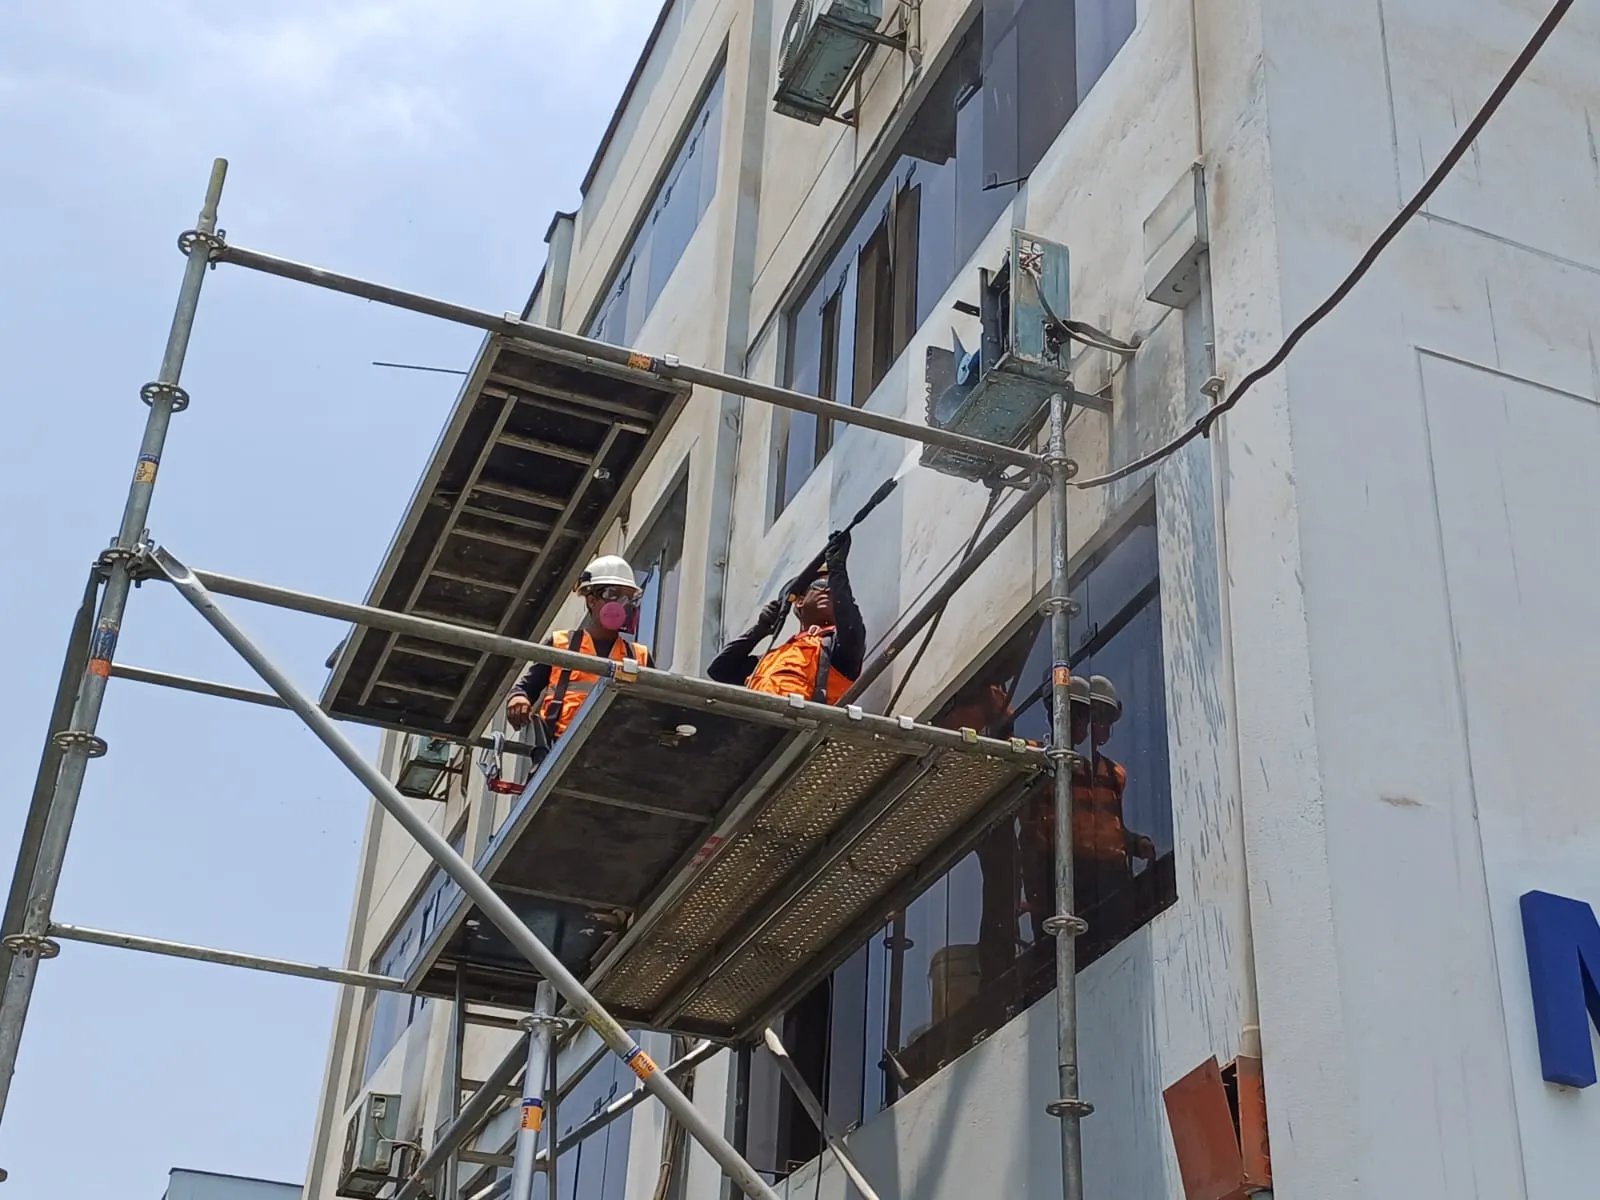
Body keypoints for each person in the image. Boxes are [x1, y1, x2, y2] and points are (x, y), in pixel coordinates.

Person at [505, 554, 651, 744]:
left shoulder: (640, 656)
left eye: (628, 597)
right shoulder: (561, 645)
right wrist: (518, 700)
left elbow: (660, 704)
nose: (622, 603)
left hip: (617, 749)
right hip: (560, 749)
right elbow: (525, 689)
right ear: (591, 600)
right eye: (612, 594)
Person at [706, 530, 864, 704]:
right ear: (800, 601)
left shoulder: (837, 648)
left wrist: (838, 569)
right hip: (758, 724)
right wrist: (759, 631)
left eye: (833, 587)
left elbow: (850, 624)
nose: (829, 590)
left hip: (802, 726)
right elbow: (720, 670)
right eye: (820, 585)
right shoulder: (772, 658)